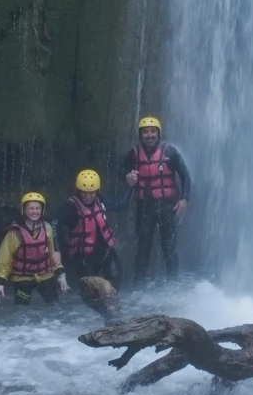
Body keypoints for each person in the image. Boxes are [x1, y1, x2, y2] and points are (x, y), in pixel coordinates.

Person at [122, 116, 191, 282]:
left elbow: (185, 176)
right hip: (145, 208)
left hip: (168, 207)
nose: (149, 135)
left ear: (158, 133)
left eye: (153, 131)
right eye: (145, 132)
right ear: (140, 135)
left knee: (169, 247)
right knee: (143, 246)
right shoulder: (134, 153)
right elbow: (121, 169)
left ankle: (173, 283)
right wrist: (127, 176)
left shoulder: (170, 152)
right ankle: (139, 284)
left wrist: (184, 199)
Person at [0, 192, 68, 305]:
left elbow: (53, 255)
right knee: (21, 311)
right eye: (31, 208)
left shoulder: (46, 227)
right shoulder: (15, 232)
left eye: (37, 208)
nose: (35, 211)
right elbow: (4, 258)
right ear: (24, 210)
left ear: (42, 210)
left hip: (44, 275)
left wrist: (61, 274)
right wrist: (0, 283)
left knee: (55, 306)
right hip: (22, 278)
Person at [56, 169, 126, 289]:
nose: (87, 196)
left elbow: (119, 205)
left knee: (115, 277)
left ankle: (112, 305)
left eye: (91, 193)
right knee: (90, 287)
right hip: (84, 256)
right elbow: (54, 225)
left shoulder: (100, 200)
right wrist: (57, 250)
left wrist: (130, 186)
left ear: (97, 192)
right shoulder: (70, 206)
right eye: (84, 193)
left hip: (105, 251)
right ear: (78, 191)